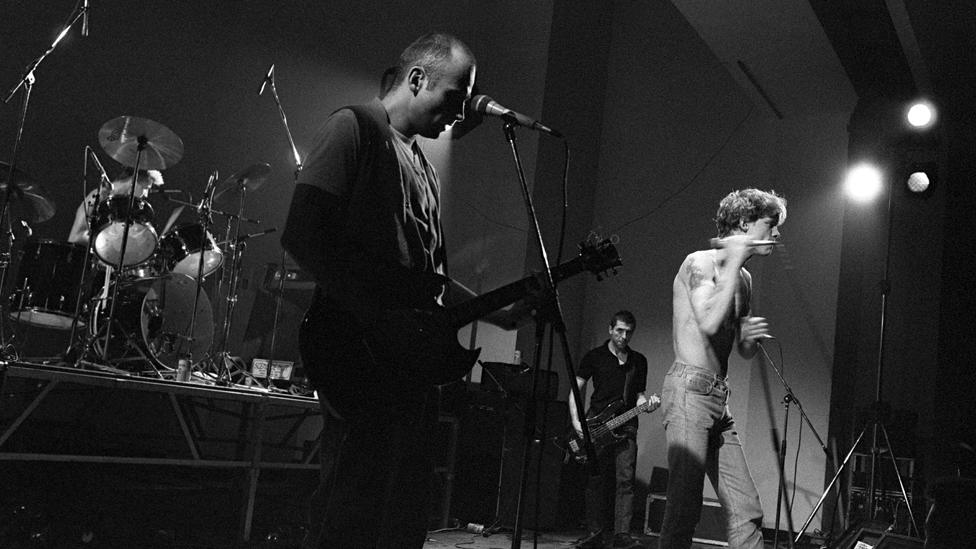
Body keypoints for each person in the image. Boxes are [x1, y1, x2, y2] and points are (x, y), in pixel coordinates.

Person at [281, 33, 507, 548]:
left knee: (403, 508)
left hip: (406, 362)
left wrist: (499, 312)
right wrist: (375, 317)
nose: (461, 112)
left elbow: (426, 279)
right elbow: (302, 233)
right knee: (352, 499)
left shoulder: (426, 167)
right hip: (359, 352)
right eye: (455, 96)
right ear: (417, 79)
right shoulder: (353, 128)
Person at [658, 188, 787, 549]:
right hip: (688, 392)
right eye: (770, 224)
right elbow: (710, 322)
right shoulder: (699, 262)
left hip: (719, 397)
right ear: (745, 222)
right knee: (684, 508)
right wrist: (731, 263)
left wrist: (747, 337)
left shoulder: (744, 278)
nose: (776, 235)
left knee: (746, 508)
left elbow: (738, 347)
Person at [570, 310, 654, 549]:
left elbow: (639, 396)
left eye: (628, 332)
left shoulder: (639, 361)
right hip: (597, 426)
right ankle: (594, 533)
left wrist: (646, 405)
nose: (623, 336)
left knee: (625, 481)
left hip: (626, 427)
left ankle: (622, 536)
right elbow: (575, 390)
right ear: (610, 329)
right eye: (619, 330)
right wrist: (577, 422)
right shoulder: (594, 356)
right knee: (595, 480)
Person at [67, 168, 163, 246]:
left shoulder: (125, 206)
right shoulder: (96, 197)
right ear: (133, 182)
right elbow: (76, 236)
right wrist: (110, 246)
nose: (145, 195)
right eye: (145, 188)